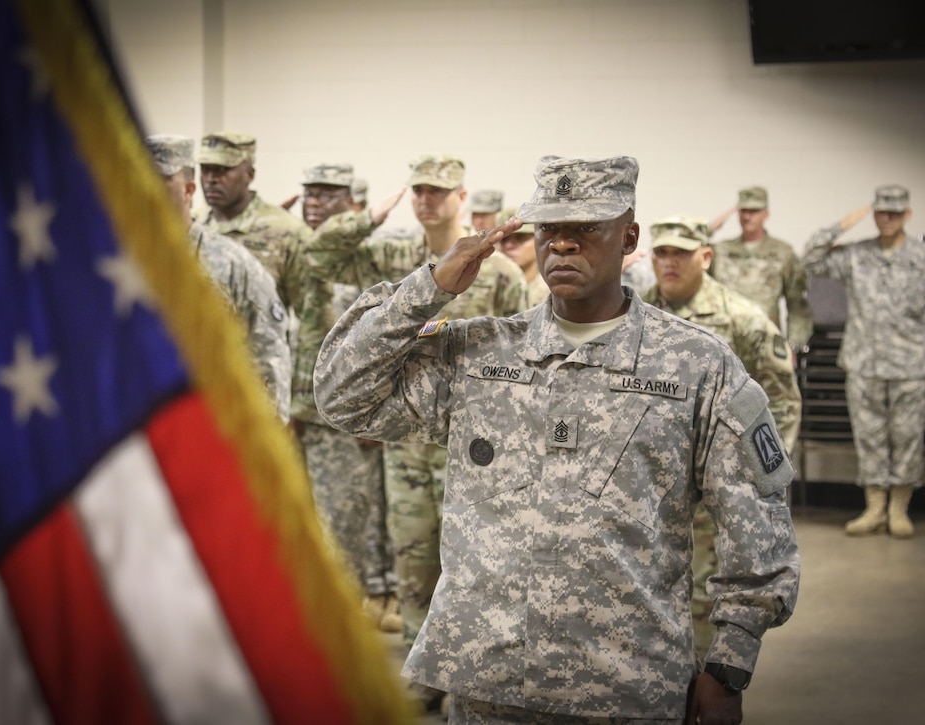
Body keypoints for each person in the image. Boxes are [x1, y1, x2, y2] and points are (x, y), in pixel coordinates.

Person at [315, 154, 799, 724]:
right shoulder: (479, 353)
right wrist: (427, 288)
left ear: (629, 237)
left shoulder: (696, 364)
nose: (562, 245)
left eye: (586, 229)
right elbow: (342, 395)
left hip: (624, 685)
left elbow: (758, 526)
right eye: (549, 229)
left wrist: (729, 665)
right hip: (486, 682)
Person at [305, 153, 528, 715]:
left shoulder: (498, 272)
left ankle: (465, 666)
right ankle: (420, 668)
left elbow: (523, 357)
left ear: (461, 196)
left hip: (471, 446)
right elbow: (319, 257)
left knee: (470, 558)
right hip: (406, 437)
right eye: (419, 191)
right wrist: (370, 215)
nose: (426, 201)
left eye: (438, 191)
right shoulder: (393, 255)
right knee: (411, 556)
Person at [642, 214, 802, 663]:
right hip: (646, 486)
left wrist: (756, 482)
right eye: (662, 252)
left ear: (706, 257)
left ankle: (703, 685)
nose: (669, 262)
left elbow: (782, 403)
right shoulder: (632, 314)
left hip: (712, 491)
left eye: (681, 253)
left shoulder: (743, 319)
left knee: (703, 596)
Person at [802, 185, 925, 538]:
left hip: (912, 365)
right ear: (873, 214)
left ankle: (898, 509)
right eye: (881, 212)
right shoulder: (857, 255)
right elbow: (810, 258)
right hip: (863, 363)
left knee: (907, 437)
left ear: (907, 214)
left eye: (895, 212)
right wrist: (843, 224)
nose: (887, 219)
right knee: (869, 437)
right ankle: (873, 508)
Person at [292, 162, 401, 634]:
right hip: (302, 408)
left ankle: (363, 600)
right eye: (309, 193)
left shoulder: (371, 254)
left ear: (354, 202)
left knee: (351, 514)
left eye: (327, 194)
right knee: (310, 515)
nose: (314, 202)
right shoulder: (305, 247)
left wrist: (375, 411)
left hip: (347, 411)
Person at [144, 134, 291, 421]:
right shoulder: (114, 264)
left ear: (188, 190)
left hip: (214, 425)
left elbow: (268, 352)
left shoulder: (233, 264)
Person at [197, 132, 311, 311]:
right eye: (205, 170)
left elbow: (311, 314)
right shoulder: (191, 226)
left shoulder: (287, 231)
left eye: (222, 170)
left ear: (250, 175)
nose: (211, 179)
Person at [709, 186, 813, 356]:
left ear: (766, 213)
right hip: (724, 345)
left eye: (754, 211)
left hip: (766, 346)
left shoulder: (783, 253)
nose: (747, 216)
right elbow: (690, 252)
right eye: (743, 211)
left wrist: (793, 346)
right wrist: (711, 228)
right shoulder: (720, 251)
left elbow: (797, 305)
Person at [496, 207, 550, 305]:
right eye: (504, 239)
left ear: (538, 240)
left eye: (520, 238)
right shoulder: (492, 288)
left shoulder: (551, 292)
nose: (509, 245)